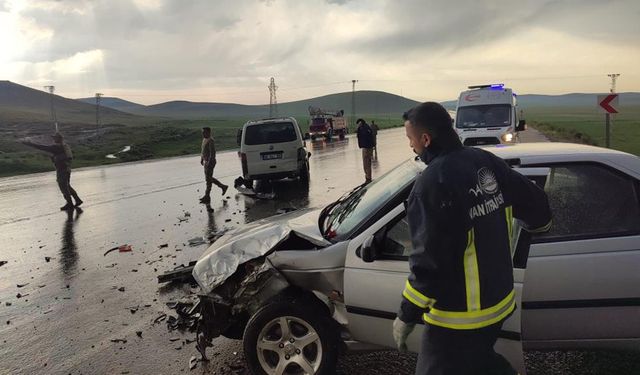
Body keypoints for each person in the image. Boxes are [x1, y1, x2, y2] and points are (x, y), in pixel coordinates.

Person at [393, 102, 551, 375]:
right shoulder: (484, 161)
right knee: (478, 360)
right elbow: (534, 201)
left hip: (459, 317)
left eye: (410, 139)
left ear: (426, 139)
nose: (411, 146)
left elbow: (429, 262)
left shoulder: (432, 184)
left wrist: (407, 315)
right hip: (499, 304)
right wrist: (540, 225)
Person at [22, 132, 83, 210]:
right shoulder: (63, 146)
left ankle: (69, 204)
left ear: (59, 139)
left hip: (62, 170)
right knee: (67, 186)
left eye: (55, 138)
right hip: (66, 169)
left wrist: (29, 144)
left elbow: (41, 147)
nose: (53, 139)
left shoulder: (57, 148)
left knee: (63, 187)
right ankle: (77, 200)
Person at [199, 127, 228, 203]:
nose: (203, 134)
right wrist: (202, 159)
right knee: (208, 178)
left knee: (208, 180)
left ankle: (207, 196)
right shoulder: (204, 140)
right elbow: (203, 150)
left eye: (204, 132)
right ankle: (223, 186)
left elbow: (212, 153)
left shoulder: (211, 141)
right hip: (206, 161)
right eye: (202, 132)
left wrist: (209, 162)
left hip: (210, 162)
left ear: (209, 132)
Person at [356, 118, 374, 183]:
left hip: (367, 148)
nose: (358, 125)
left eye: (358, 124)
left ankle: (368, 178)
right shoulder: (363, 128)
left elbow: (366, 136)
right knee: (366, 163)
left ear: (361, 123)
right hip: (365, 147)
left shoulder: (365, 128)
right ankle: (367, 177)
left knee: (367, 163)